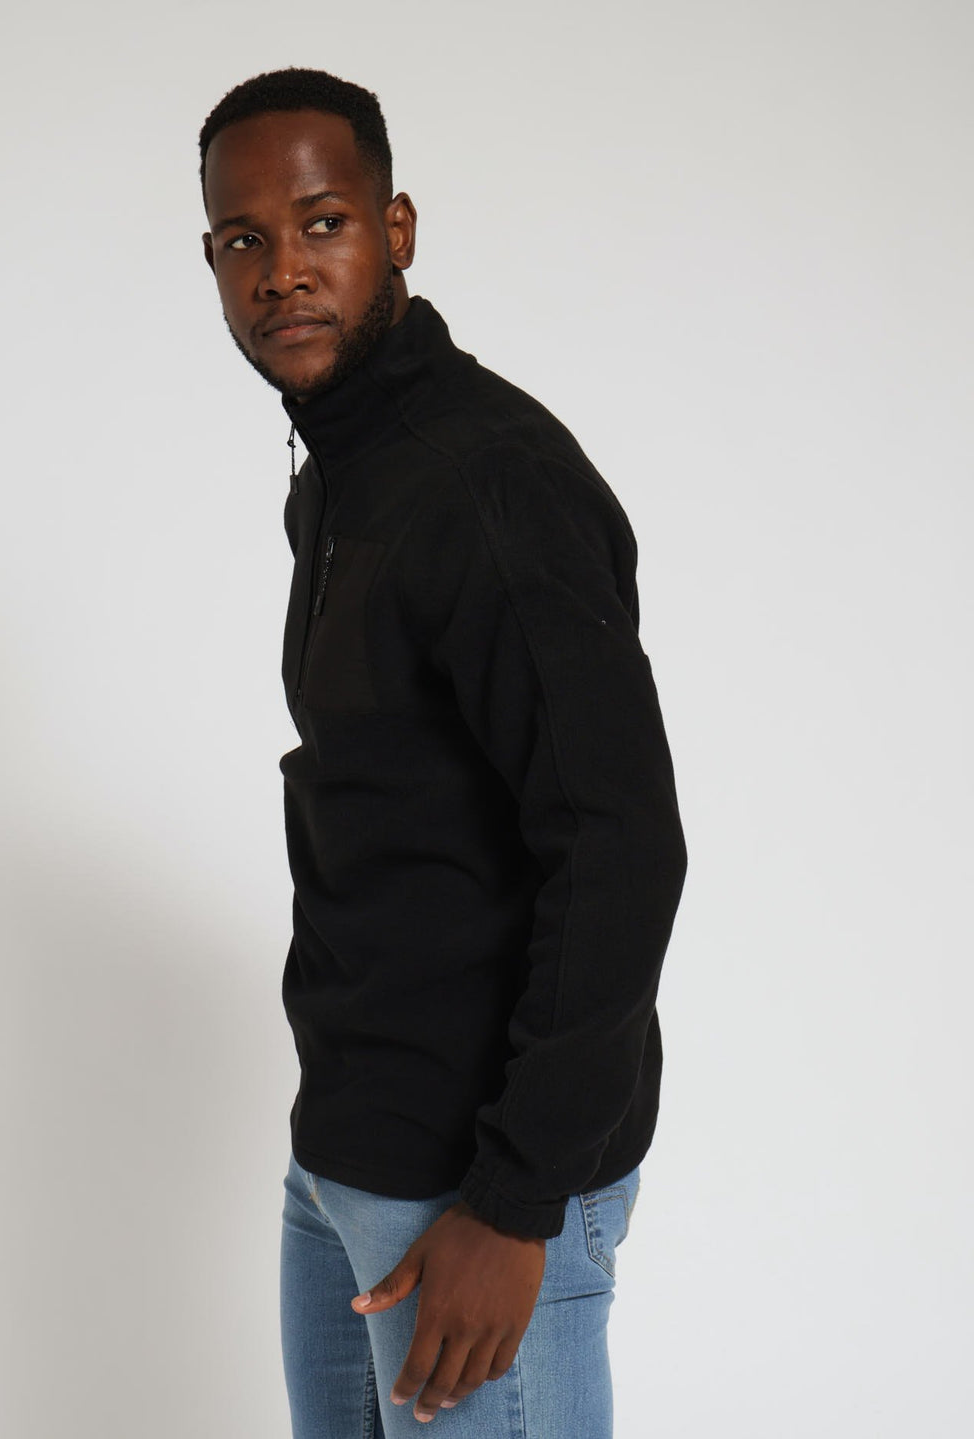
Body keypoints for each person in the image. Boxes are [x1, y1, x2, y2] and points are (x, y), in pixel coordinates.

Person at [198, 67, 687, 1437]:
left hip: (477, 1195)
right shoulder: (344, 480)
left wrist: (518, 1203)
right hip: (345, 1160)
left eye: (323, 223)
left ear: (396, 228)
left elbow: (620, 846)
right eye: (245, 240)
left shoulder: (489, 483)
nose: (284, 272)